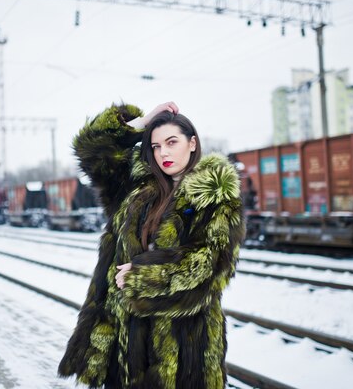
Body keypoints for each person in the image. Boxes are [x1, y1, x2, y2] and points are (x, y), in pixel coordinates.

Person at [58, 101, 245, 389]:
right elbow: (92, 150)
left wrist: (140, 277)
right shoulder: (136, 190)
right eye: (156, 146)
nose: (164, 153)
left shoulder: (213, 194)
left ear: (192, 143)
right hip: (123, 343)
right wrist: (140, 123)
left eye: (172, 142)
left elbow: (210, 265)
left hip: (182, 349)